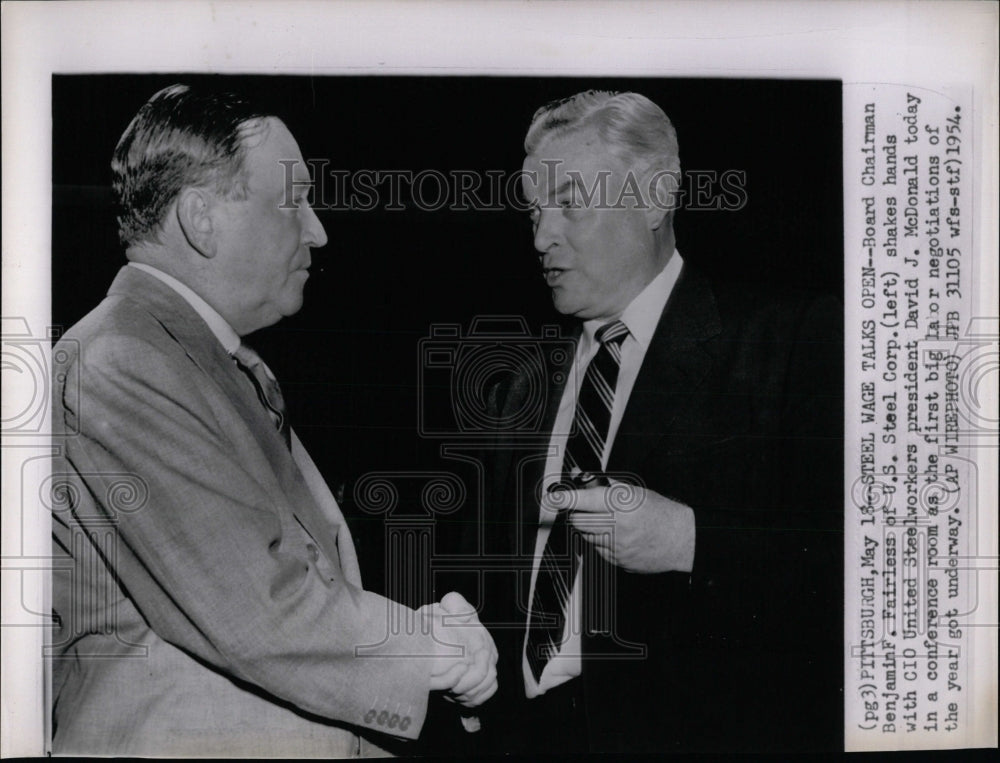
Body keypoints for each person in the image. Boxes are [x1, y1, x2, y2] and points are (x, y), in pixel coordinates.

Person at [49, 83, 497, 757]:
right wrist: (428, 646)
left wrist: (418, 631)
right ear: (202, 219)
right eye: (293, 199)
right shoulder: (121, 359)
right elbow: (256, 606)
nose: (317, 229)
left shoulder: (201, 359)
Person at [465, 90, 842, 753]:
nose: (542, 234)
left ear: (656, 197)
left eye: (570, 204)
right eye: (534, 211)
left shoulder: (792, 341)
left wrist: (687, 539)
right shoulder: (517, 384)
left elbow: (869, 571)